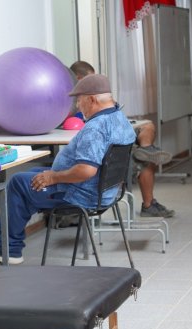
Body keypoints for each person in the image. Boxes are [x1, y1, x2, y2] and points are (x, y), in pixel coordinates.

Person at [0, 74, 137, 264]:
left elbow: (86, 170)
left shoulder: (96, 128)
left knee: (18, 183)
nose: (77, 106)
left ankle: (10, 248)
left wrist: (54, 178)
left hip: (81, 194)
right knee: (33, 177)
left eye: (79, 100)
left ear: (92, 99)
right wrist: (51, 176)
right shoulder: (119, 118)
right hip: (104, 192)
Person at [69, 61, 174, 218]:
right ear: (79, 78)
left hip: (110, 140)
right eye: (90, 79)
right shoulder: (76, 100)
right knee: (146, 162)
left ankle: (146, 149)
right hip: (105, 150)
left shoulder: (93, 97)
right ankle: (148, 202)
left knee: (148, 126)